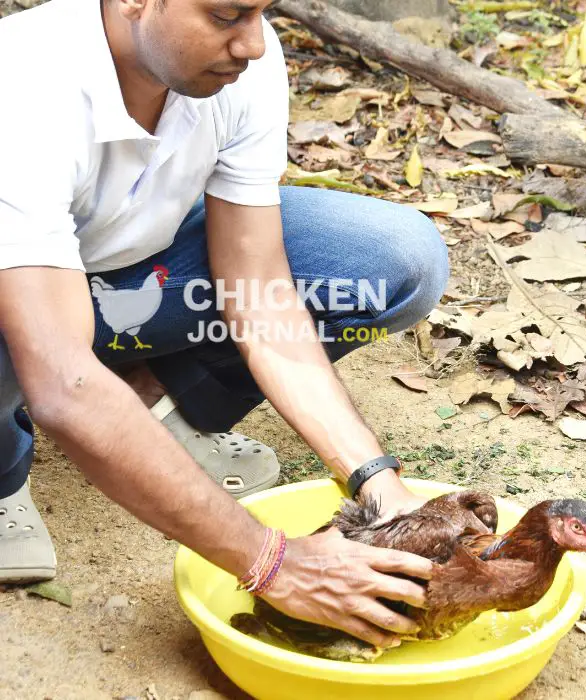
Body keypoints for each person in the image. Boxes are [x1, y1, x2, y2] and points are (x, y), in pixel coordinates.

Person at [0, 0, 449, 648]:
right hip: (21, 289)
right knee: (53, 367)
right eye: (228, 15)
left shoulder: (237, 69)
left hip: (118, 278)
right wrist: (274, 563)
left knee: (395, 260)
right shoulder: (24, 83)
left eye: (263, 13)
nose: (256, 44)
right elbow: (63, 382)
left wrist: (376, 481)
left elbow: (260, 292)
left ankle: (153, 412)